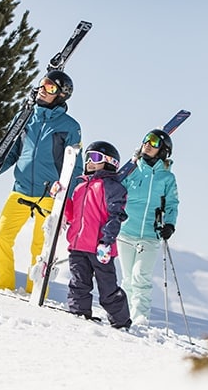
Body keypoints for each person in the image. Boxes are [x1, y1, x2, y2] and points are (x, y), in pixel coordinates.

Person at [0, 70, 83, 293]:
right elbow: (13, 150)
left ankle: (35, 291)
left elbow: (75, 166)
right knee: (1, 236)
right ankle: (3, 287)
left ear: (61, 95)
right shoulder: (26, 117)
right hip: (20, 189)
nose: (42, 90)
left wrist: (69, 197)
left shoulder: (70, 126)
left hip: (49, 195)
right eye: (42, 84)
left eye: (50, 88)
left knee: (40, 246)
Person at [63, 141, 131, 329]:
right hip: (78, 246)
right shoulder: (79, 187)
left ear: (110, 162)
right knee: (78, 283)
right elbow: (73, 216)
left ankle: (121, 321)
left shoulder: (111, 186)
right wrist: (60, 199)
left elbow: (115, 216)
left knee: (107, 288)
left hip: (100, 247)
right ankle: (78, 313)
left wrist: (106, 241)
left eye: (96, 158)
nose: (90, 163)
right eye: (88, 158)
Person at [117, 129, 179, 325]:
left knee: (141, 278)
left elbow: (172, 204)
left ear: (163, 150)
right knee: (127, 280)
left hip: (151, 235)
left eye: (153, 142)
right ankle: (123, 315)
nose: (147, 144)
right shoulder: (132, 170)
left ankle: (140, 318)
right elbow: (116, 192)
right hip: (126, 231)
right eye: (146, 140)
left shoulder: (167, 178)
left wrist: (169, 224)